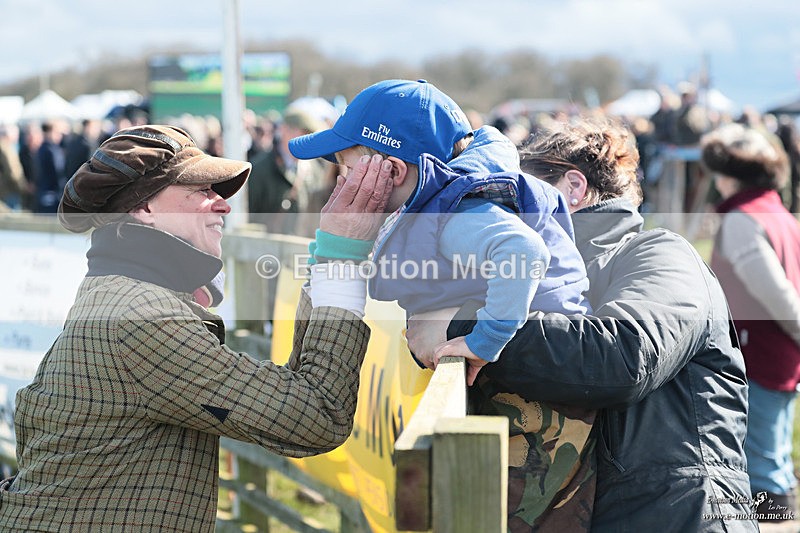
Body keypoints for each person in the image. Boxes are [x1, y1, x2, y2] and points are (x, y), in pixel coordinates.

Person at [0, 124, 393, 531]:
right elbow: (317, 415)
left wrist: (327, 258)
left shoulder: (118, 292)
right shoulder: (142, 317)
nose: (222, 205)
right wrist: (340, 258)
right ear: (144, 209)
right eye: (201, 191)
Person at [407, 116, 757, 532]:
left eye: (520, 191)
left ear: (574, 189)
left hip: (678, 517)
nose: (505, 208)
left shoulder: (663, 254)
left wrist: (467, 329)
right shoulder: (532, 279)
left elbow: (624, 356)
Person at [289, 79, 595, 530]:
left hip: (549, 406)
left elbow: (522, 253)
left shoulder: (457, 212)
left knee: (518, 516)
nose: (341, 177)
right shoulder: (433, 203)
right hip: (526, 389)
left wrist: (482, 339)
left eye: (345, 164)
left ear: (391, 170)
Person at [701, 123, 800, 522]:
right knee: (772, 455)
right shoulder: (777, 213)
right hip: (777, 353)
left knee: (763, 466)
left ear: (727, 175)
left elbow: (776, 295)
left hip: (760, 355)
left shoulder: (743, 219)